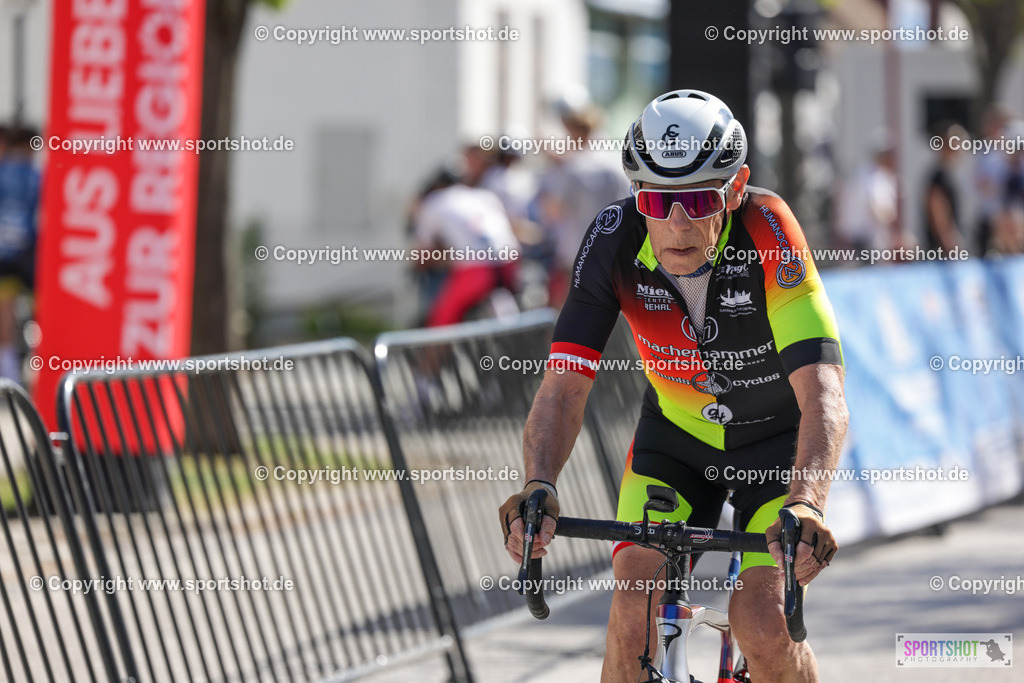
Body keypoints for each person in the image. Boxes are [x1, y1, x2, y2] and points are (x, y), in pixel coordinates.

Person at [499, 90, 848, 681]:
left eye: (698, 200)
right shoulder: (611, 238)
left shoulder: (768, 228)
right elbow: (562, 388)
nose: (677, 223)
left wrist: (808, 499)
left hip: (774, 446)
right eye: (658, 201)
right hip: (676, 443)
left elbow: (822, 388)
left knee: (763, 624)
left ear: (735, 189)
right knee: (631, 610)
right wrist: (538, 484)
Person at [413, 152, 520, 327]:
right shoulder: (484, 196)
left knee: (441, 322)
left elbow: (422, 252)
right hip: (510, 262)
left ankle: (433, 353)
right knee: (507, 321)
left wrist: (419, 266)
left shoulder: (435, 201)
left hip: (476, 270)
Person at [0, 126, 41, 383]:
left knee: (5, 315)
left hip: (4, 256)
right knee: (41, 313)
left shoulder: (4, 172)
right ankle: (37, 364)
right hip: (30, 255)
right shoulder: (38, 176)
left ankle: (10, 372)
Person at [924, 122, 966, 256]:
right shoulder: (939, 176)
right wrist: (948, 240)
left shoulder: (948, 175)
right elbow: (936, 208)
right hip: (941, 249)